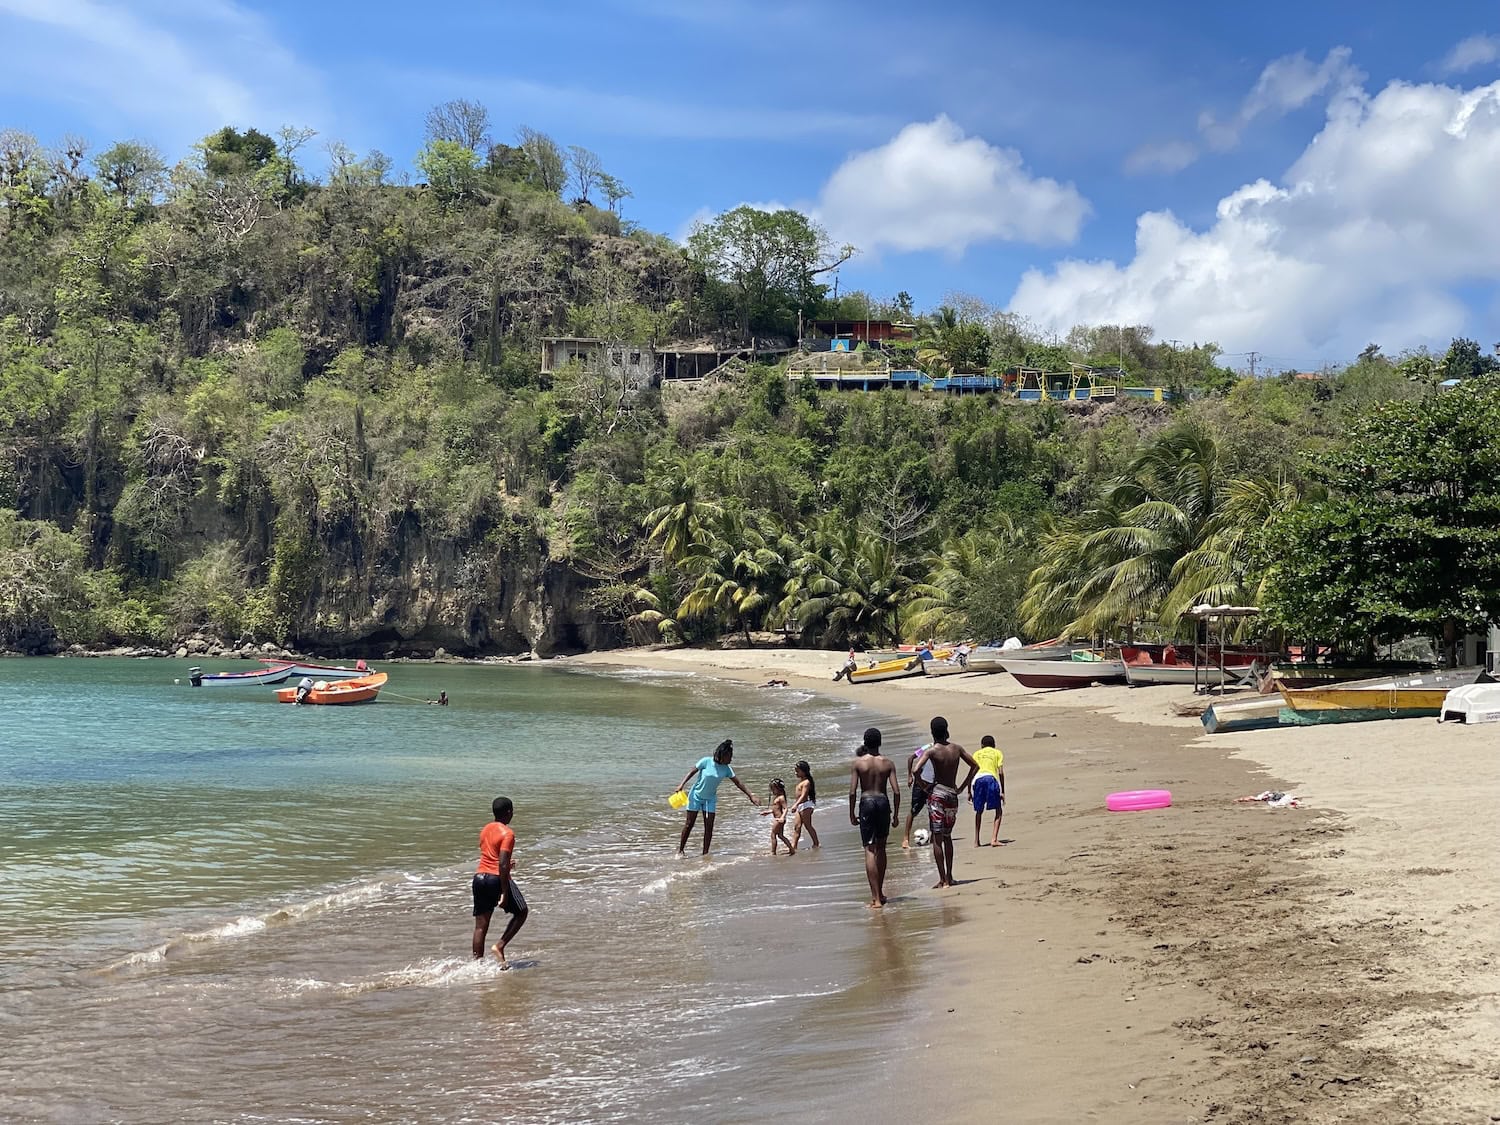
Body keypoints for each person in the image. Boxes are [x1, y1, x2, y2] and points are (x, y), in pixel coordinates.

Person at [919, 716, 979, 888]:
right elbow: (975, 765)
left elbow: (916, 769)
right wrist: (962, 787)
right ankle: (950, 876)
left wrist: (925, 787)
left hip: (937, 794)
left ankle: (943, 879)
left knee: (937, 838)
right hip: (952, 794)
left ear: (932, 732)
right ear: (946, 730)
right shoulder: (956, 749)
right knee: (947, 837)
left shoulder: (932, 751)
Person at [674, 739, 761, 855]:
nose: (731, 759)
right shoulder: (706, 761)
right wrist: (681, 784)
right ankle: (680, 850)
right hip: (695, 796)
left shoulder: (727, 769)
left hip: (710, 799)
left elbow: (738, 783)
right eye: (729, 756)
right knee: (689, 824)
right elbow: (692, 771)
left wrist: (751, 795)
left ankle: (705, 854)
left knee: (709, 827)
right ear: (722, 755)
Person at [471, 796, 528, 968]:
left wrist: (504, 864)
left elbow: (491, 855)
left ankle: (477, 965)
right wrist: (504, 891)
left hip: (479, 878)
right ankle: (499, 946)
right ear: (509, 812)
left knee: (481, 926)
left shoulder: (485, 829)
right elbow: (502, 863)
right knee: (522, 912)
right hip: (496, 878)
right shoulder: (508, 833)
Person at [848, 728, 901, 908]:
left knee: (869, 849)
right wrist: (896, 814)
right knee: (882, 848)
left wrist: (851, 813)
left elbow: (852, 792)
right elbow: (896, 791)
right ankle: (881, 892)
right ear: (880, 742)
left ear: (865, 742)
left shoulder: (858, 763)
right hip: (883, 801)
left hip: (867, 803)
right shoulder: (888, 763)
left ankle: (876, 898)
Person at [971, 734, 1006, 847]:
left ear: (982, 745)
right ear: (994, 745)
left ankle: (976, 841)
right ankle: (994, 839)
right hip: (991, 779)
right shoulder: (997, 753)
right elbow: (1000, 772)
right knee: (998, 810)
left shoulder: (977, 754)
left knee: (979, 811)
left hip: (978, 780)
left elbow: (972, 771)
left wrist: (968, 790)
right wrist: (1002, 791)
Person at [900, 741, 935, 849]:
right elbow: (911, 758)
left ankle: (933, 835)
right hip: (920, 783)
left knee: (933, 810)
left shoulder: (941, 748)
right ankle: (905, 838)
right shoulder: (928, 747)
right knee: (914, 810)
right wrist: (910, 776)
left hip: (933, 783)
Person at [789, 760, 820, 850]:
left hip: (806, 805)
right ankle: (793, 847)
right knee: (797, 827)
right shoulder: (801, 782)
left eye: (797, 771)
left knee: (807, 825)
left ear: (804, 771)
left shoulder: (806, 782)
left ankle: (816, 843)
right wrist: (797, 805)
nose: (796, 773)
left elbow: (804, 795)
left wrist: (795, 804)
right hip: (800, 805)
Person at [761, 778, 794, 854]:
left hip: (779, 819)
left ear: (779, 789)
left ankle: (773, 852)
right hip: (778, 818)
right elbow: (775, 809)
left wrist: (782, 817)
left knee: (773, 834)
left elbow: (785, 808)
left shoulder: (781, 798)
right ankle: (791, 849)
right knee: (780, 835)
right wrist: (768, 812)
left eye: (773, 789)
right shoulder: (776, 797)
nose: (772, 791)